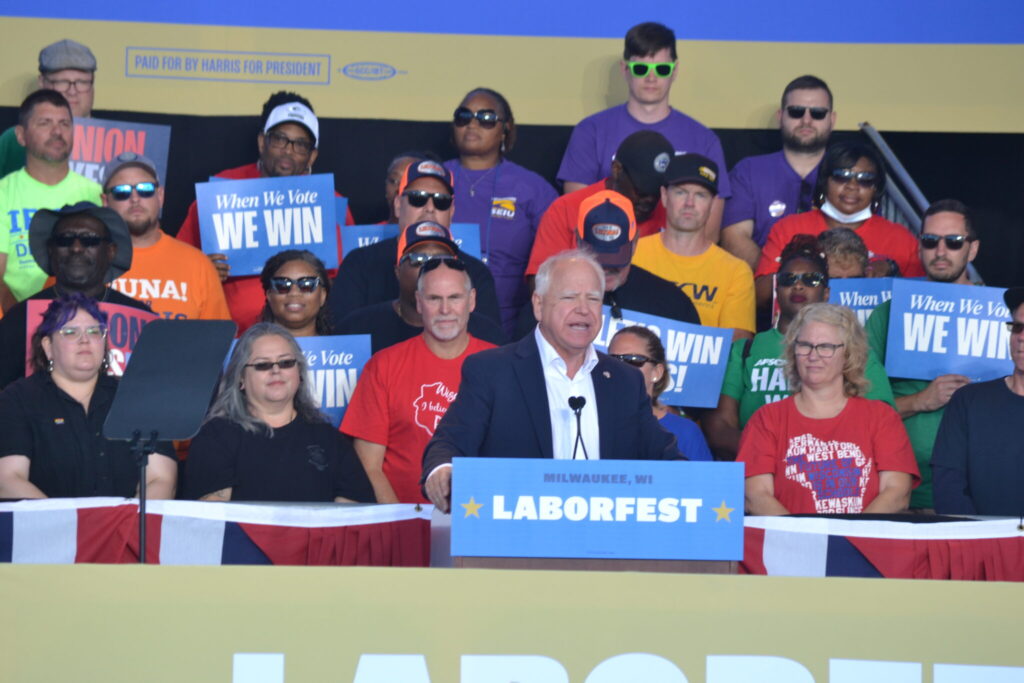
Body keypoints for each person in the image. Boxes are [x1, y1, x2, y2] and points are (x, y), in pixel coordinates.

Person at [422, 249, 681, 512]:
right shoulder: (492, 371)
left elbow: (666, 458)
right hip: (517, 540)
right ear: (538, 305)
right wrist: (443, 472)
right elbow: (449, 442)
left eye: (593, 299)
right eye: (569, 297)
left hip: (606, 542)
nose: (583, 310)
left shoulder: (624, 381)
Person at [175, 92, 355, 332]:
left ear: (312, 155)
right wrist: (203, 271)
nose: (288, 151)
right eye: (280, 139)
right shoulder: (221, 192)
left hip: (306, 340)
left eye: (300, 144)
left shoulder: (332, 204)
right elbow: (177, 265)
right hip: (229, 338)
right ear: (262, 142)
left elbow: (346, 281)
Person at [704, 237, 894, 461]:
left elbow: (881, 420)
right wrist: (777, 456)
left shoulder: (853, 349)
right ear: (777, 289)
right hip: (756, 474)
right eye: (788, 279)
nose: (798, 285)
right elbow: (719, 428)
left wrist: (814, 458)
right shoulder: (744, 349)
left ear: (826, 293)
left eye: (812, 280)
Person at [738, 303, 919, 514]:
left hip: (862, 545)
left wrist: (847, 540)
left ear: (848, 354)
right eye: (804, 345)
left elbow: (896, 492)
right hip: (791, 545)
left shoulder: (881, 417)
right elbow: (756, 495)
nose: (813, 356)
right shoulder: (767, 419)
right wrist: (805, 543)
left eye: (826, 347)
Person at [341, 258, 496, 503]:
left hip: (479, 520)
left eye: (454, 297)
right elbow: (369, 465)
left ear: (472, 300)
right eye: (434, 298)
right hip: (403, 522)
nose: (445, 309)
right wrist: (399, 525)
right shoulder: (384, 365)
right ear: (419, 302)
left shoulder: (501, 365)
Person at [556, 22, 730, 240]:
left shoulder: (704, 139)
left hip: (676, 265)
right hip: (606, 255)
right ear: (624, 69)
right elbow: (576, 214)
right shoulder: (590, 131)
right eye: (641, 68)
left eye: (661, 69)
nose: (651, 78)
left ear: (674, 71)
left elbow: (709, 233)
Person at [0, 293, 176, 499]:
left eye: (94, 331)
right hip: (51, 528)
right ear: (48, 347)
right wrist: (68, 524)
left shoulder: (137, 397)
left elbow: (161, 479)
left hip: (129, 527)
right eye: (70, 332)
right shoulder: (18, 400)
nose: (84, 340)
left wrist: (126, 526)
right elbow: (7, 479)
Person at [865, 199, 980, 510]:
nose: (940, 251)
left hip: (979, 493)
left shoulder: (1002, 316)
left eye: (954, 242)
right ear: (919, 247)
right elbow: (859, 411)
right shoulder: (887, 315)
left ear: (973, 249)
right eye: (930, 241)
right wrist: (920, 401)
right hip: (898, 491)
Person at [185, 323, 374, 503]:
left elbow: (352, 517)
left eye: (286, 362)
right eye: (262, 365)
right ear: (240, 378)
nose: (276, 370)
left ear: (299, 372)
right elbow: (214, 520)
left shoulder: (329, 439)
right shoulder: (215, 437)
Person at [327, 158, 501, 326]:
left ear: (452, 211)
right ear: (397, 205)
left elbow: (487, 339)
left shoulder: (476, 272)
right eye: (418, 198)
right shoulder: (359, 263)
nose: (430, 208)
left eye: (441, 201)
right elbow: (344, 338)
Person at [754, 141, 925, 310]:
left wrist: (892, 273)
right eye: (841, 177)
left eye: (865, 180)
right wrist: (806, 269)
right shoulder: (788, 228)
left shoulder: (901, 238)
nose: (852, 186)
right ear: (824, 181)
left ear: (876, 188)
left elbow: (919, 304)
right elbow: (760, 296)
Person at [444, 87, 558, 334]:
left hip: (512, 325)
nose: (472, 124)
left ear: (506, 129)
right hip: (441, 316)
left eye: (486, 118)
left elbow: (554, 263)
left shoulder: (532, 188)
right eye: (464, 116)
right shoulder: (433, 178)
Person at [512, 189, 699, 339]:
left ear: (634, 243)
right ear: (578, 241)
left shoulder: (673, 304)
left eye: (616, 258)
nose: (607, 269)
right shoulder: (546, 304)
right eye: (599, 260)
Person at [0, 202, 147, 390]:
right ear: (51, 250)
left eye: (90, 240)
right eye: (65, 240)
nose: (76, 248)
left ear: (111, 251)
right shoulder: (19, 318)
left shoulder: (141, 317)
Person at [632, 152, 755, 340]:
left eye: (700, 195)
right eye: (681, 192)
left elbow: (737, 347)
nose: (689, 203)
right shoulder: (632, 254)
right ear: (664, 196)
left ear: (713, 204)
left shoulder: (736, 272)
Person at [0, 90, 102, 311]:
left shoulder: (96, 195)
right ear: (21, 135)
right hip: (14, 321)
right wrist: (23, 321)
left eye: (65, 124)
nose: (57, 132)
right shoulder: (3, 193)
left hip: (84, 320)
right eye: (45, 123)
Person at [336, 221, 505, 353]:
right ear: (397, 270)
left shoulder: (487, 334)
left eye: (443, 259)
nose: (430, 268)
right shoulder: (358, 329)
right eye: (418, 259)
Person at [721, 76, 835, 269]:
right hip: (762, 291)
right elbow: (734, 238)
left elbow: (861, 239)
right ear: (780, 116)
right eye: (796, 112)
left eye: (817, 114)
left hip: (833, 293)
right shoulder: (748, 171)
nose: (806, 120)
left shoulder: (847, 176)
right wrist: (781, 282)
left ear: (832, 120)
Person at [526, 130, 674, 279]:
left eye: (658, 192)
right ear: (616, 170)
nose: (650, 199)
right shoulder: (567, 208)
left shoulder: (673, 214)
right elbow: (539, 281)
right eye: (641, 190)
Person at [100, 152, 230, 321]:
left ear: (160, 196)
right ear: (105, 202)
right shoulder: (86, 263)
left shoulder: (199, 265)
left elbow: (218, 342)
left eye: (145, 189)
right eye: (121, 192)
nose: (135, 198)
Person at [932, 287, 1024, 516]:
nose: (1021, 337)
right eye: (1018, 327)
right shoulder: (969, 400)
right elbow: (948, 485)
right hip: (980, 545)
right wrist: (980, 540)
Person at [608, 326, 711, 461]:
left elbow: (701, 481)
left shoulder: (686, 432)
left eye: (632, 360)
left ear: (657, 372)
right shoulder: (590, 421)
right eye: (611, 360)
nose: (619, 368)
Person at [0, 39, 97, 178]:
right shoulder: (13, 141)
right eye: (62, 82)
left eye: (82, 82)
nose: (72, 91)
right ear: (42, 82)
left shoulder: (114, 141)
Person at [259, 249, 332, 336]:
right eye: (283, 285)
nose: (294, 292)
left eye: (306, 284)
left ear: (323, 296)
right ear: (269, 295)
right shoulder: (248, 349)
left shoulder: (343, 348)